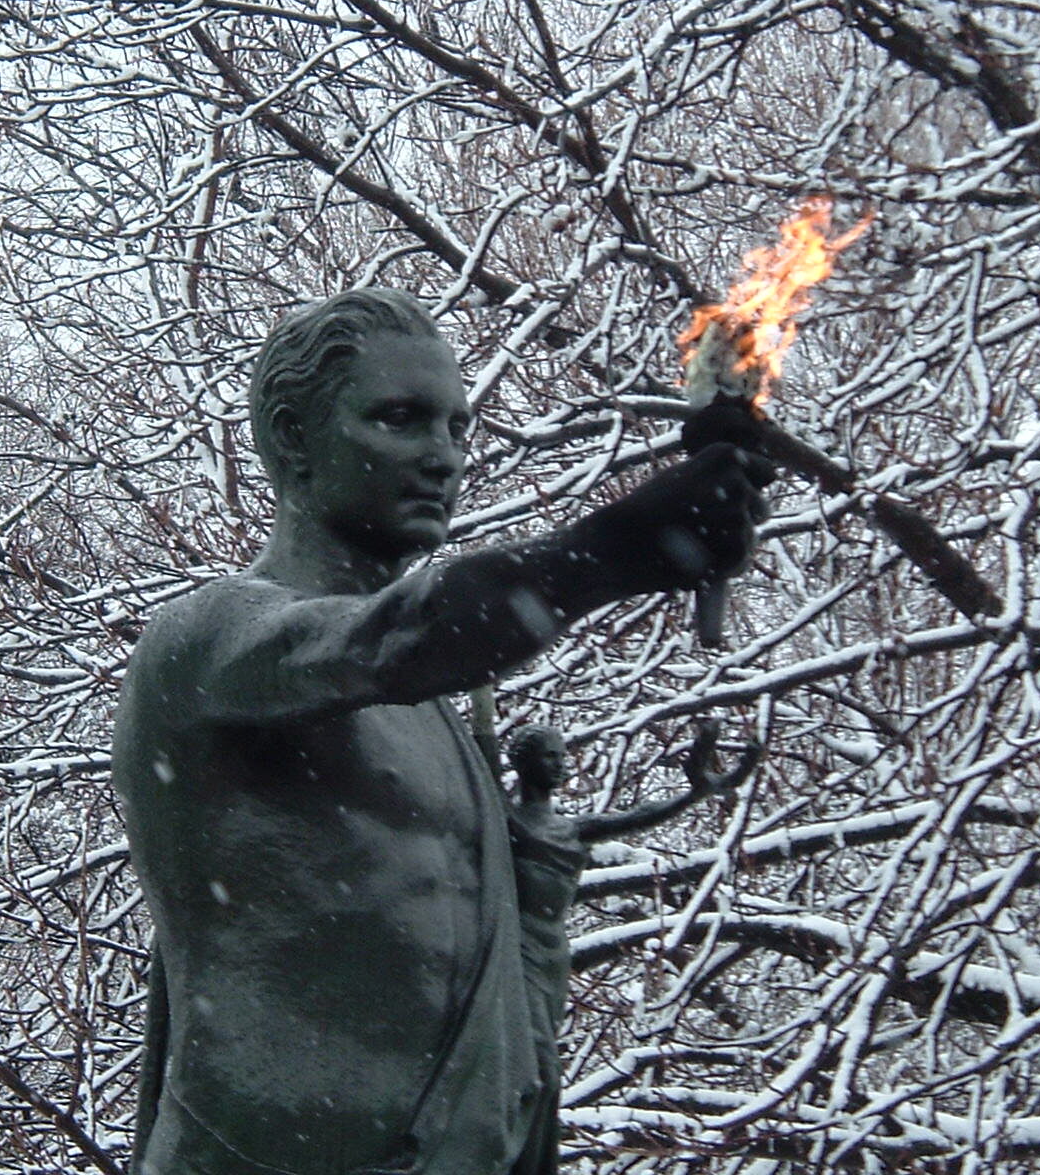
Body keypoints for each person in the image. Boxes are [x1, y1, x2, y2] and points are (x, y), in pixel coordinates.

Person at [112, 288, 772, 1175]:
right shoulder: (208, 643)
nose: (441, 457)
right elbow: (399, 637)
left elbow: (503, 1019)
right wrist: (616, 547)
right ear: (294, 434)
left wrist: (536, 890)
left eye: (457, 430)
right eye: (399, 419)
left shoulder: (444, 729)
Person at [505, 722, 761, 1175]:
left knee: (547, 1070)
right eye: (550, 756)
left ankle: (535, 1158)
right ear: (523, 763)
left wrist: (694, 793)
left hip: (551, 953)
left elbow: (642, 816)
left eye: (563, 755)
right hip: (515, 944)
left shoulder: (575, 829)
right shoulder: (503, 819)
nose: (561, 764)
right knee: (534, 1065)